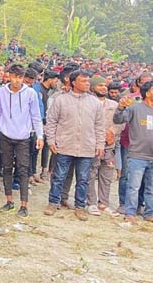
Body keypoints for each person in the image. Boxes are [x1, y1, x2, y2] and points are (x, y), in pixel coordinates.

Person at [43, 70, 105, 221]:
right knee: (59, 176)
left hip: (86, 147)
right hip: (64, 145)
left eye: (87, 81)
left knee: (83, 179)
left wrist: (100, 144)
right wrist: (51, 140)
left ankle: (79, 207)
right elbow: (51, 121)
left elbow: (100, 126)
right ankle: (53, 202)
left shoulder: (94, 103)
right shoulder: (61, 100)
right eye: (83, 81)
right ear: (73, 83)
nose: (87, 84)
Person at [0, 64, 43, 218]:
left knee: (23, 170)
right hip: (6, 136)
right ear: (9, 76)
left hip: (24, 138)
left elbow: (36, 116)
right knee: (6, 168)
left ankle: (24, 205)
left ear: (23, 78)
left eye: (19, 77)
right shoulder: (1, 92)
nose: (16, 80)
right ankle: (9, 201)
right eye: (14, 76)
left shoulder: (31, 93)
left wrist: (40, 136)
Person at [114, 80, 153, 225]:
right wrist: (120, 108)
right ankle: (130, 213)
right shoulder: (134, 108)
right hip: (137, 155)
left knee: (152, 189)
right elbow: (118, 119)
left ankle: (149, 213)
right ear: (148, 93)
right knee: (133, 186)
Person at [86, 76, 122, 217]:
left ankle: (104, 203)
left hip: (110, 146)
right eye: (100, 85)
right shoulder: (88, 103)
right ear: (93, 88)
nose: (103, 88)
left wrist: (112, 131)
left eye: (104, 85)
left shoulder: (113, 105)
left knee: (106, 175)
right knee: (90, 174)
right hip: (92, 145)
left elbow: (121, 121)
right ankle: (91, 203)